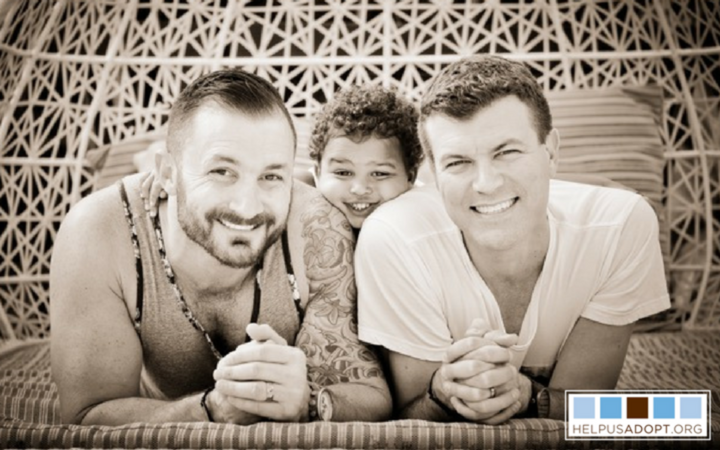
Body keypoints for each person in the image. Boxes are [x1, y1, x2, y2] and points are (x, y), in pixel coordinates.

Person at [50, 68, 391, 426]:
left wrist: (309, 400)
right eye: (222, 172)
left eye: (271, 176)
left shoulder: (316, 229)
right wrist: (213, 409)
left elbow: (369, 394)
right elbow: (86, 415)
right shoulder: (100, 231)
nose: (248, 206)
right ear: (167, 174)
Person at [355, 55, 671, 423]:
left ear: (551, 152)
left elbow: (592, 411)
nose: (486, 184)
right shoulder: (395, 238)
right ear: (435, 176)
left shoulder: (620, 226)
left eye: (507, 153)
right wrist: (444, 391)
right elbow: (411, 420)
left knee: (684, 418)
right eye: (457, 162)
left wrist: (527, 396)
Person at [308, 84, 424, 232]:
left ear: (410, 176)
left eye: (379, 173)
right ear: (318, 173)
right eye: (343, 173)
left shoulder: (423, 218)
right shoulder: (298, 203)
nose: (360, 189)